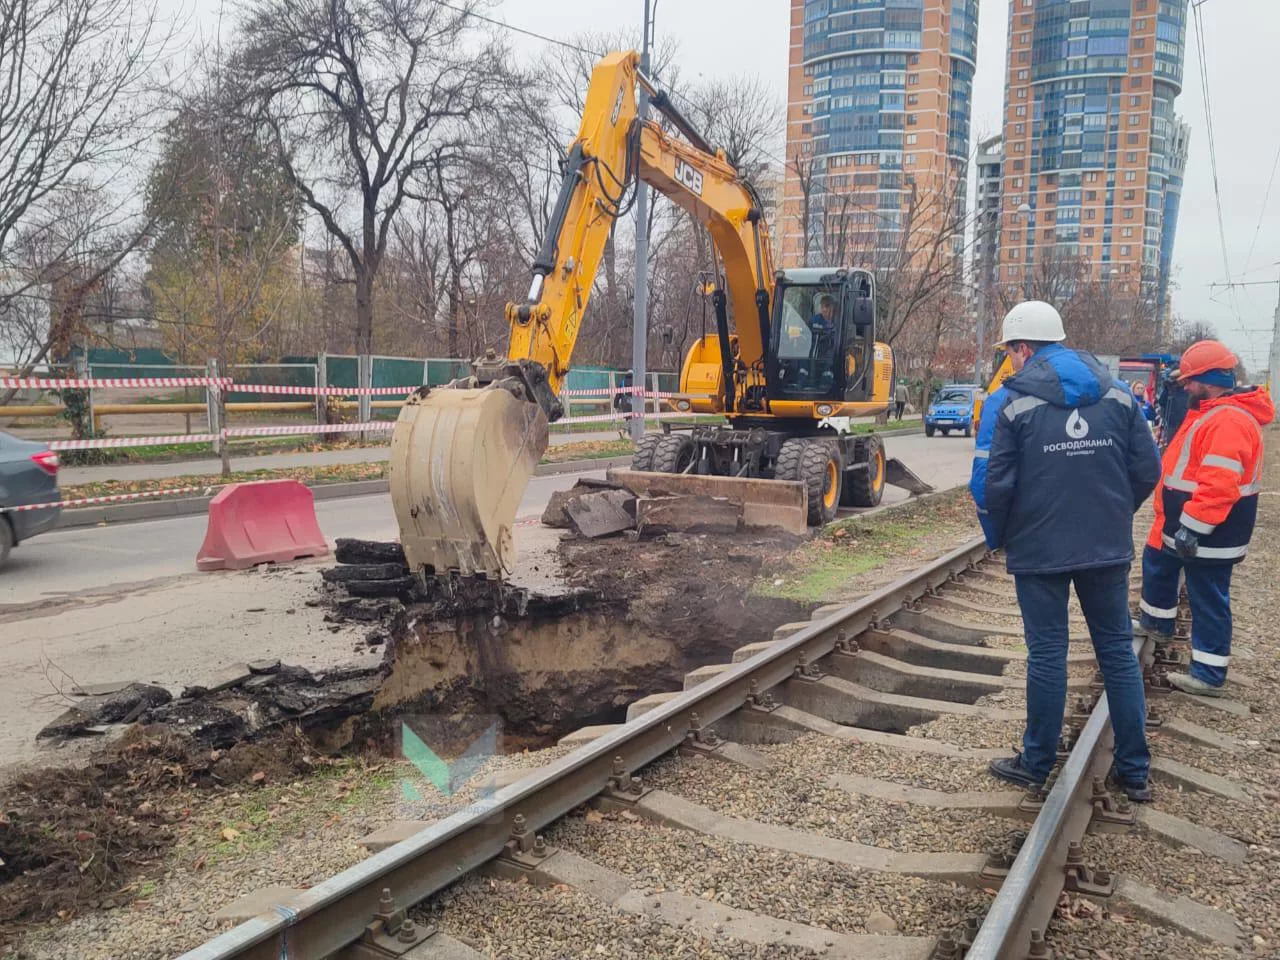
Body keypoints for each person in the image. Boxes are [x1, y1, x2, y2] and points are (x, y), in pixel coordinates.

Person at [970, 301, 1161, 801]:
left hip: (1039, 549)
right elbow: (1147, 470)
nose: (1009, 362)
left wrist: (1002, 536)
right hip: (1106, 545)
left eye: (1010, 352)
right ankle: (1135, 771)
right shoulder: (1118, 394)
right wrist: (1117, 512)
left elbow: (991, 486)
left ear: (1024, 348)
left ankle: (1035, 764)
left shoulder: (1009, 402)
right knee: (1117, 651)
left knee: (1048, 654)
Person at [1138, 340, 1274, 696]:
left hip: (1208, 532)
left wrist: (1193, 527)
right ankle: (1156, 624)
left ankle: (1209, 674)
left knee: (1208, 597)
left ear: (1209, 379)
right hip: (1188, 526)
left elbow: (1219, 485)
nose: (1184, 387)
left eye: (1190, 381)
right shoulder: (1212, 413)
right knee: (1158, 564)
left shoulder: (1227, 421)